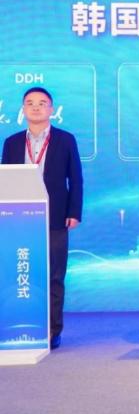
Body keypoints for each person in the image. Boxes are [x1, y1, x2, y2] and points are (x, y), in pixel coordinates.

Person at [2, 86, 83, 350]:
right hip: (19, 218)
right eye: (30, 103)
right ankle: (23, 324)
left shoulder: (65, 139)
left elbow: (76, 178)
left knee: (54, 276)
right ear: (23, 109)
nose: (36, 107)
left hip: (56, 216)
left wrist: (74, 212)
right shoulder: (12, 142)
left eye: (42, 103)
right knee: (22, 272)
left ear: (51, 109)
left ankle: (53, 330)